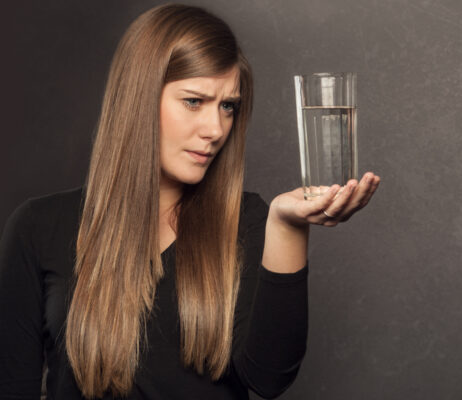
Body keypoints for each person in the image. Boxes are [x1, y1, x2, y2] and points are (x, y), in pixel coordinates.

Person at [0, 4, 380, 400]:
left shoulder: (249, 221)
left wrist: (287, 225)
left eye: (228, 106)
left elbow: (269, 378)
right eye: (194, 101)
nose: (216, 129)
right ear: (139, 99)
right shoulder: (37, 228)